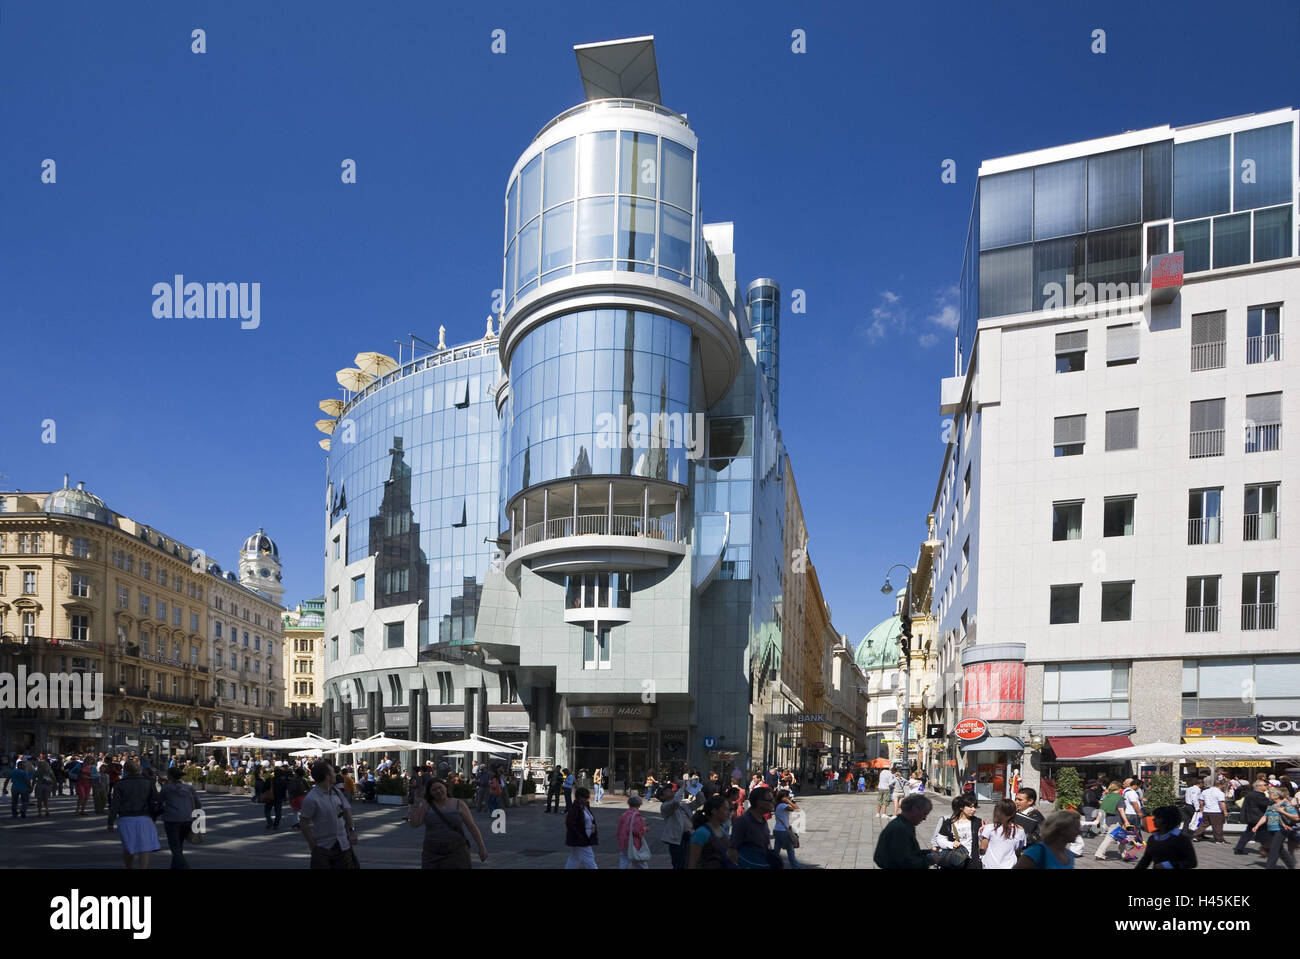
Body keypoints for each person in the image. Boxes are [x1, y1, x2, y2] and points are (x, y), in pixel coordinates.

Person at [409, 778, 487, 869]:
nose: (438, 791)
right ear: (430, 793)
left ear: (445, 787)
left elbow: (472, 827)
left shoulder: (459, 804)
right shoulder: (427, 805)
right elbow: (415, 824)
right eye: (434, 790)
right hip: (432, 852)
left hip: (456, 851)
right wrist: (416, 803)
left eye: (440, 787)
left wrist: (481, 847)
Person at [299, 762, 359, 869]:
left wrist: (352, 831)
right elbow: (304, 823)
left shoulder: (337, 792)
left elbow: (347, 811)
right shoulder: (311, 798)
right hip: (323, 848)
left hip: (343, 846)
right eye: (333, 772)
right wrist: (313, 846)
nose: (335, 774)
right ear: (327, 776)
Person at [110, 760, 161, 869]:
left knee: (128, 846)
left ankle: (129, 867)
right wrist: (154, 816)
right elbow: (155, 800)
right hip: (144, 817)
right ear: (139, 770)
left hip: (126, 817)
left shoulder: (120, 784)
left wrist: (110, 821)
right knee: (144, 847)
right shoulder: (148, 782)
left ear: (125, 770)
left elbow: (115, 804)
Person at [873, 794, 934, 869]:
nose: (924, 818)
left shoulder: (904, 824)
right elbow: (905, 862)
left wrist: (928, 853)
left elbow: (909, 853)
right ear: (914, 809)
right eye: (925, 813)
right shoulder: (900, 829)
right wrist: (929, 860)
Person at [160, 767, 201, 869]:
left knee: (175, 847)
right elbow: (198, 805)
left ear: (170, 776)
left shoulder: (166, 788)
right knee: (179, 845)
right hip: (187, 819)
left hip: (172, 819)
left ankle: (184, 866)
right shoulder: (189, 788)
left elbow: (158, 802)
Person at [1135, 805, 1197, 870]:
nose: (1153, 819)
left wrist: (1170, 865)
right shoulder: (1153, 838)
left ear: (1166, 820)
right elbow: (1145, 860)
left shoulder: (1181, 839)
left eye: (1157, 817)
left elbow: (1192, 862)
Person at [1014, 809, 1079, 869]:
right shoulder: (1039, 851)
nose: (1079, 832)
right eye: (1075, 829)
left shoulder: (1069, 854)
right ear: (1062, 829)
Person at [932, 794, 984, 869]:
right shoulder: (949, 822)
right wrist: (951, 844)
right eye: (970, 806)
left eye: (974, 807)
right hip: (955, 860)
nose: (974, 809)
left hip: (972, 861)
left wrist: (984, 832)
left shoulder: (978, 822)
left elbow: (983, 843)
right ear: (961, 807)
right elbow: (940, 839)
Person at [731, 786, 776, 868]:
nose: (773, 802)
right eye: (769, 800)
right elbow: (733, 850)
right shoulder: (743, 822)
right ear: (759, 802)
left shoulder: (762, 819)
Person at [1253, 787, 1298, 869]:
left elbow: (1296, 818)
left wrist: (1282, 811)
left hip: (1281, 829)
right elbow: (1265, 816)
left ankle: (1270, 866)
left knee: (1274, 849)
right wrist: (1257, 825)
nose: (1269, 795)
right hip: (1271, 829)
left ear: (1277, 796)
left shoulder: (1286, 804)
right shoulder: (1271, 805)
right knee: (1280, 849)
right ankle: (1291, 864)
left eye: (1270, 794)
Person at [688, 795, 735, 868]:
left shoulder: (722, 830)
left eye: (729, 809)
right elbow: (692, 864)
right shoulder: (701, 833)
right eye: (725, 809)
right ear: (714, 811)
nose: (728, 813)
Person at [979, 799, 1027, 869]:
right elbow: (1018, 852)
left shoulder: (990, 828)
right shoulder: (1020, 830)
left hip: (991, 866)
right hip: (1011, 865)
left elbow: (982, 849)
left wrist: (981, 834)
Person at [658, 783, 697, 869]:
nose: (670, 790)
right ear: (662, 797)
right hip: (677, 839)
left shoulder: (682, 805)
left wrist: (694, 789)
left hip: (689, 835)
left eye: (669, 789)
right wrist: (682, 788)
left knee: (689, 861)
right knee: (679, 863)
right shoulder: (665, 807)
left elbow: (700, 801)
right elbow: (675, 801)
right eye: (666, 791)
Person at [1234, 779, 1273, 855]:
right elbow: (1268, 804)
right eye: (1265, 785)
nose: (1267, 786)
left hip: (1252, 817)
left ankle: (1239, 849)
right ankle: (1269, 850)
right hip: (1257, 818)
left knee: (1248, 833)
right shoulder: (1258, 795)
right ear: (1259, 786)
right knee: (1264, 835)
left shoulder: (1251, 794)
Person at [565, 786, 599, 869]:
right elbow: (570, 823)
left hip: (583, 836)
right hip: (581, 837)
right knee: (589, 857)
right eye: (586, 797)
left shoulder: (584, 807)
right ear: (580, 797)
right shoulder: (576, 808)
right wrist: (579, 835)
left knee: (575, 857)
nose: (587, 799)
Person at [616, 795, 650, 869]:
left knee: (624, 861)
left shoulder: (624, 814)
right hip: (633, 843)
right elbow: (637, 831)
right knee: (641, 862)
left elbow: (619, 828)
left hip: (623, 841)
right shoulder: (637, 815)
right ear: (639, 805)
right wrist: (645, 829)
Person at [772, 789, 801, 868]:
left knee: (776, 850)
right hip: (783, 831)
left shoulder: (778, 805)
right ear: (784, 797)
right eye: (788, 796)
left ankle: (772, 864)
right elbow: (797, 809)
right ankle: (795, 867)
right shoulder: (783, 805)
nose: (789, 797)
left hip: (777, 830)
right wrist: (789, 802)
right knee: (790, 851)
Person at [1193, 777, 1227, 843]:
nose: (1224, 786)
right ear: (1220, 785)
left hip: (1206, 811)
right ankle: (1218, 839)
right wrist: (1225, 811)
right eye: (1223, 785)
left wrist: (1202, 808)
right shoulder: (1220, 793)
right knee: (1217, 826)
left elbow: (1201, 801)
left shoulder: (1205, 791)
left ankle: (1195, 836)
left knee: (1203, 825)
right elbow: (1221, 803)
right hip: (1216, 811)